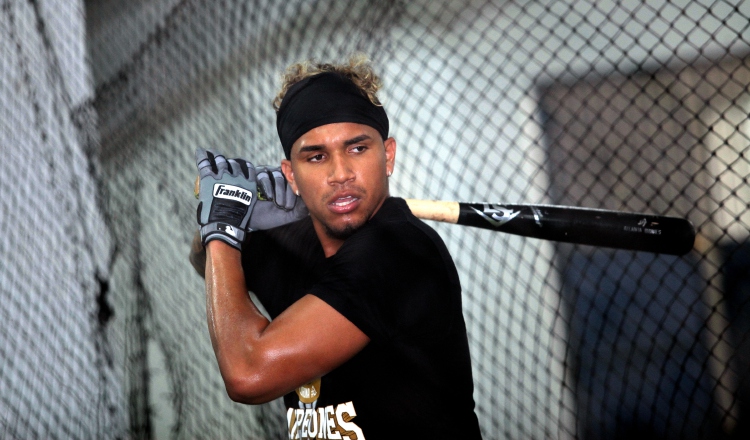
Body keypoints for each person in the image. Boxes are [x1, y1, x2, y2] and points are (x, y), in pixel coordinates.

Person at [190, 54, 481, 439]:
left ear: (388, 155)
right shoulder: (300, 247)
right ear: (291, 174)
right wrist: (240, 219)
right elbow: (202, 260)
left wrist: (224, 228)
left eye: (357, 149)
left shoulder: (397, 251)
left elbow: (247, 374)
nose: (340, 174)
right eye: (316, 157)